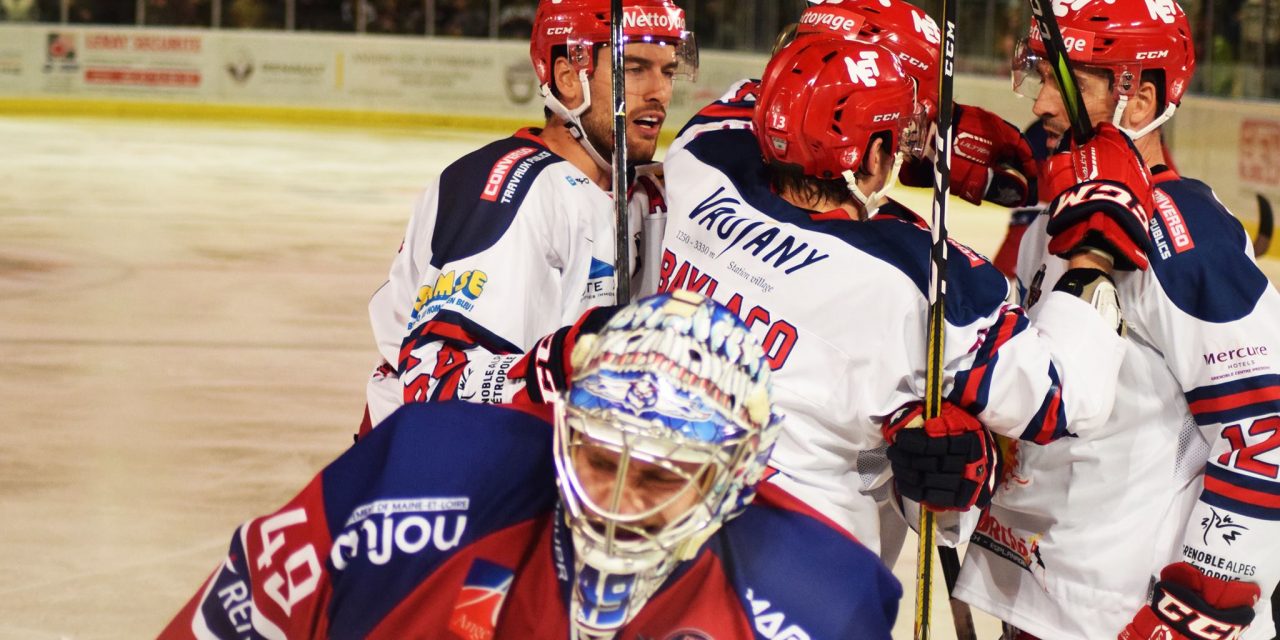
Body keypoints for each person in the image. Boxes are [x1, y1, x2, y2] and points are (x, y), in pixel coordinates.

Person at [158, 291, 903, 639]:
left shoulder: (825, 607)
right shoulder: (410, 485)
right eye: (600, 457)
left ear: (735, 478)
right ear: (564, 429)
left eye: (659, 475)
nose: (615, 501)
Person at [652, 30, 1132, 562]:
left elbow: (763, 96)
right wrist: (1093, 248)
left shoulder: (699, 160)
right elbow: (1066, 396)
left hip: (656, 519)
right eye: (895, 139)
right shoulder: (919, 278)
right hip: (803, 566)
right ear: (877, 155)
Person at [952, 2, 1280, 638]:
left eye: (1068, 84)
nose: (1043, 105)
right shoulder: (1052, 222)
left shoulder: (1188, 240)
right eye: (1041, 78)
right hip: (1043, 600)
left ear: (1140, 100)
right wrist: (965, 446)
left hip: (1129, 613)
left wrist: (1197, 609)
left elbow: (1263, 429)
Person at [360, 0, 693, 435]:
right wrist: (569, 363)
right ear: (569, 78)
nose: (659, 92)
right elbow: (434, 380)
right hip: (428, 459)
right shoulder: (506, 191)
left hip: (540, 453)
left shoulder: (643, 191)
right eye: (634, 69)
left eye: (668, 72)